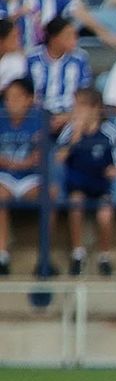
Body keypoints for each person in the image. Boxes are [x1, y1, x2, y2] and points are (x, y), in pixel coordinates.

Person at [53, 86, 116, 275]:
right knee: (76, 204)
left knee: (105, 214)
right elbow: (59, 158)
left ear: (95, 108)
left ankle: (104, 256)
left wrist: (112, 171)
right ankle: (78, 254)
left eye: (81, 107)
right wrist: (76, 135)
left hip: (101, 185)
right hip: (77, 185)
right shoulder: (69, 131)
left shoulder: (110, 132)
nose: (77, 111)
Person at [0, 75, 46, 275]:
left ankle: (44, 256)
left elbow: (39, 155)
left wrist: (17, 163)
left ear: (29, 99)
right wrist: (13, 164)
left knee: (49, 197)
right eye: (8, 98)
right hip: (5, 177)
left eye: (18, 97)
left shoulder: (38, 119)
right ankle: (2, 254)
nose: (12, 102)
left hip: (31, 177)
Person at [24, 15, 92, 133]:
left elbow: (85, 93)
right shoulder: (32, 58)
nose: (74, 39)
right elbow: (25, 92)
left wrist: (69, 116)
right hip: (37, 117)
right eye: (69, 35)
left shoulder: (80, 59)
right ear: (54, 38)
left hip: (71, 117)